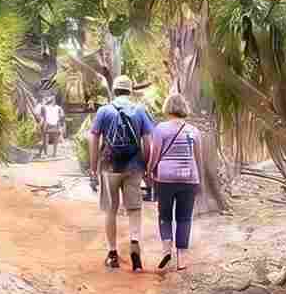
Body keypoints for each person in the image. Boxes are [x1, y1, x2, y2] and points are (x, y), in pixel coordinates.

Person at [88, 75, 155, 271]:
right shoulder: (140, 110)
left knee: (111, 210)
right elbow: (148, 142)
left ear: (114, 91)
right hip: (134, 167)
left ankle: (112, 254)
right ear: (130, 91)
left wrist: (93, 166)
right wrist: (147, 168)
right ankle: (135, 246)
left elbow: (93, 138)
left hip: (109, 166)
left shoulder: (103, 111)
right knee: (134, 209)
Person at [149, 92, 209, 271]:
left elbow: (155, 155)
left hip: (165, 179)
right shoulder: (194, 131)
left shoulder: (160, 129)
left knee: (164, 215)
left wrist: (149, 170)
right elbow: (198, 159)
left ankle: (166, 250)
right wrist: (200, 181)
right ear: (184, 108)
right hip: (189, 179)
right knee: (184, 218)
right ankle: (181, 259)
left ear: (168, 108)